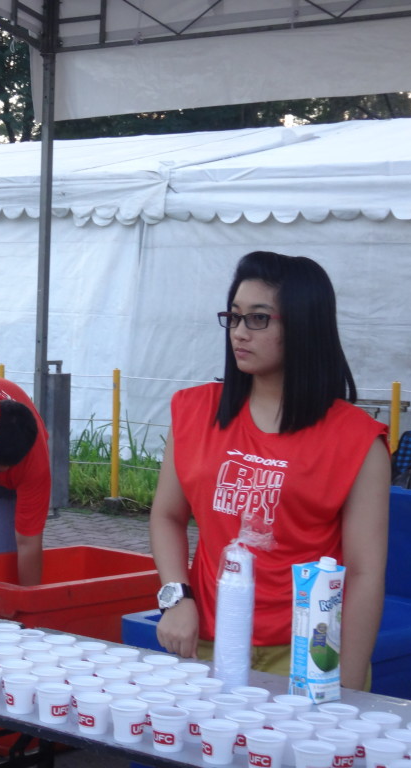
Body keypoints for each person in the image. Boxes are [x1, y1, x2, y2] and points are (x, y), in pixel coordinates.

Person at [149, 250, 390, 690]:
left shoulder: (358, 440)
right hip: (206, 638)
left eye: (259, 319)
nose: (240, 332)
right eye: (234, 317)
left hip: (309, 652)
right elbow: (167, 515)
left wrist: (348, 681)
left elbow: (364, 572)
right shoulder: (195, 410)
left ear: (303, 326)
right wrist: (175, 597)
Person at [0, 378, 50, 586]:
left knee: (4, 568)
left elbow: (28, 543)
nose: (2, 471)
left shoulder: (35, 464)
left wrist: (30, 605)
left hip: (2, 493)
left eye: (10, 466)